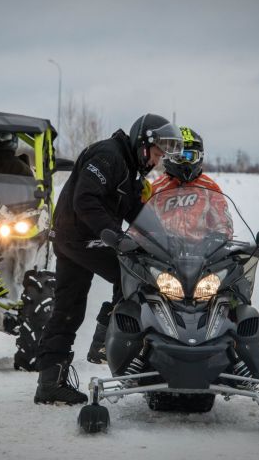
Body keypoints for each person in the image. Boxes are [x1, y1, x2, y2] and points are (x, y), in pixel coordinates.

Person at [33, 114, 183, 405]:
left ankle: (49, 381)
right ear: (143, 143)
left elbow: (136, 211)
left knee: (69, 308)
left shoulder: (128, 168)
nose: (156, 163)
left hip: (76, 239)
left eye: (160, 158)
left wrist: (167, 241)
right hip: (80, 238)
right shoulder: (107, 155)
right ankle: (104, 343)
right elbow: (85, 200)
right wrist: (117, 236)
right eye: (155, 155)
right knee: (135, 273)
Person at [150, 126, 232, 240]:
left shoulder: (209, 187)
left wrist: (219, 237)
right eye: (179, 156)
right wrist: (148, 239)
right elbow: (140, 226)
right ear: (168, 156)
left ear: (199, 156)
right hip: (163, 253)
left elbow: (223, 222)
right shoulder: (156, 188)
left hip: (203, 254)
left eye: (190, 156)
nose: (185, 161)